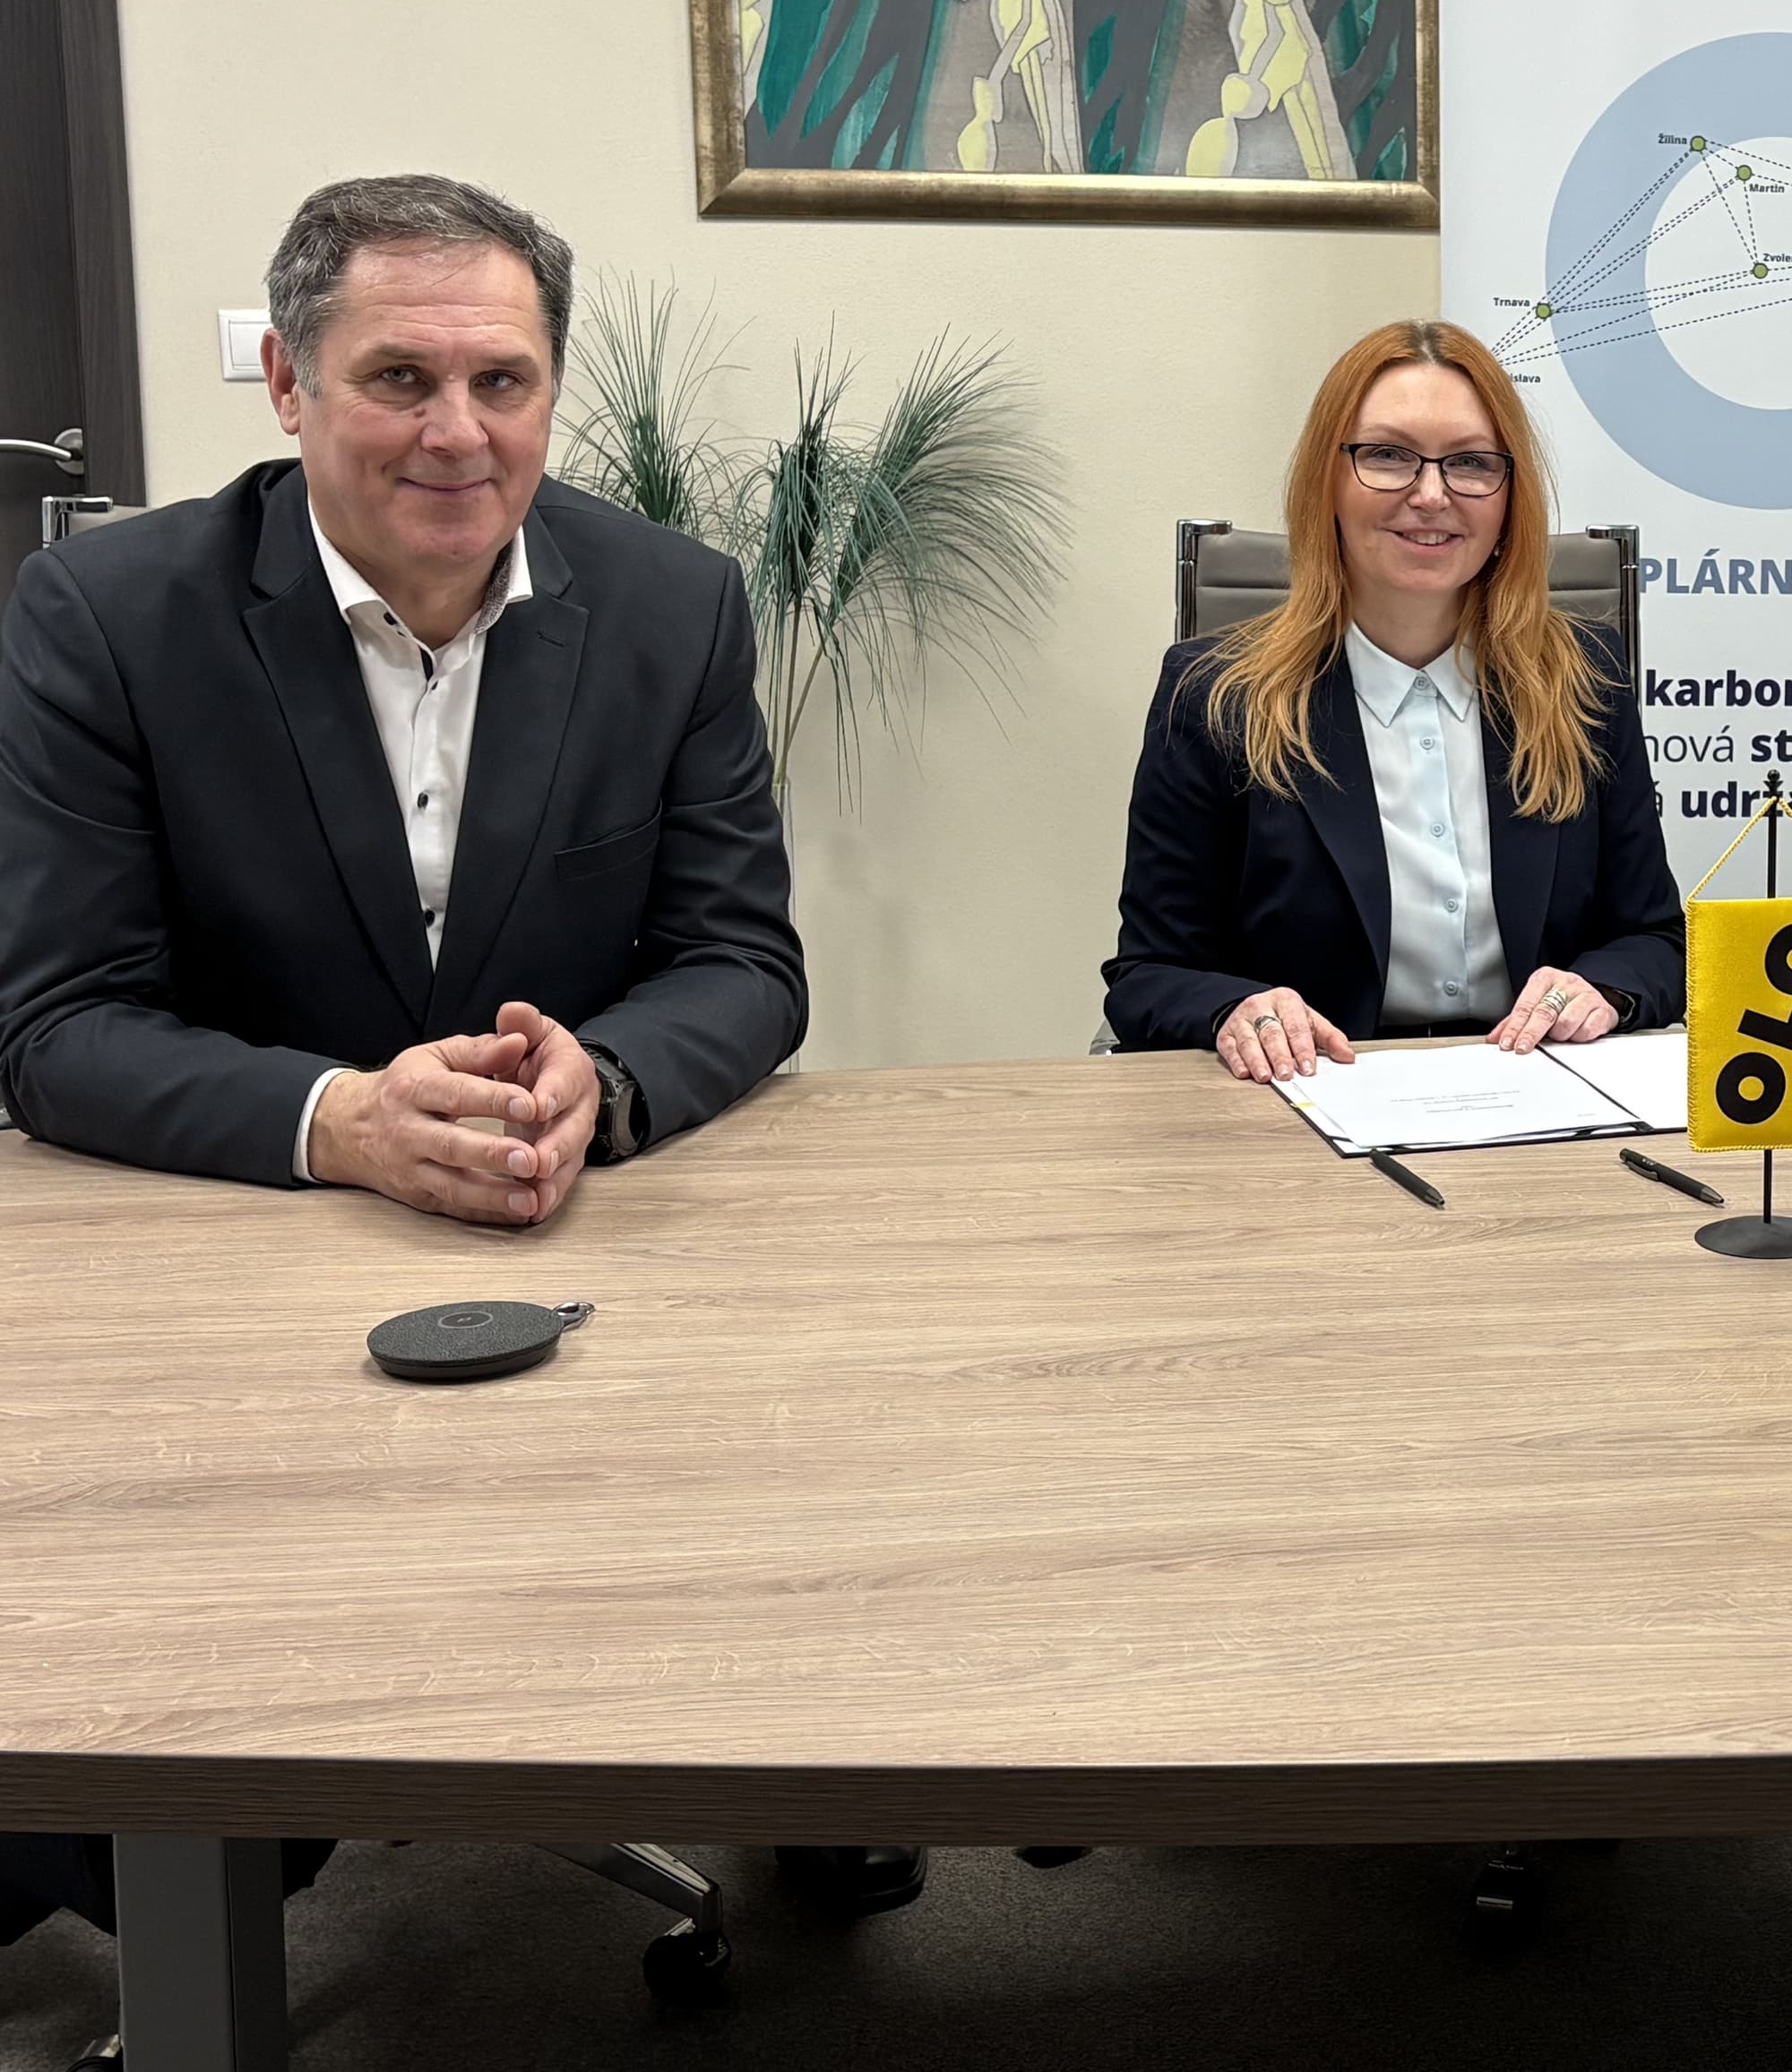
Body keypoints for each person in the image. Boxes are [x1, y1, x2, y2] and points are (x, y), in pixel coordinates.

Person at [0, 174, 910, 1925]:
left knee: (810, 1551)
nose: (458, 433)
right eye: (398, 379)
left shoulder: (672, 607)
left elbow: (740, 962)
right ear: (288, 382)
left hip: (573, 1247)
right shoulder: (107, 616)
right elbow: (53, 1028)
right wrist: (336, 1118)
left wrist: (605, 1080)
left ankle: (777, 1773)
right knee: (179, 1783)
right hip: (235, 1262)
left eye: (503, 381)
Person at [1106, 318, 1682, 1073]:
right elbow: (1150, 975)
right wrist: (1232, 1011)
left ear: (1510, 496)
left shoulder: (1586, 679)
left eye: (1471, 462)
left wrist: (1602, 988)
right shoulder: (1216, 696)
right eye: (1387, 455)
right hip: (1314, 1098)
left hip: (1542, 1089)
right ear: (1327, 480)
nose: (1432, 495)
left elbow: (1656, 941)